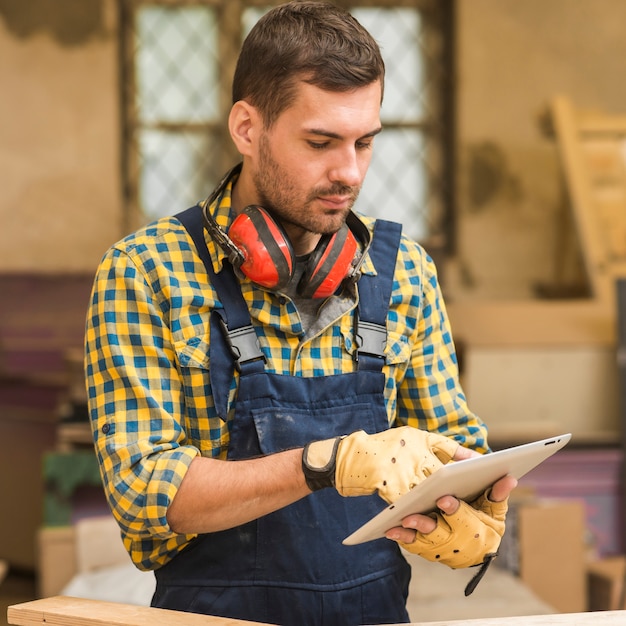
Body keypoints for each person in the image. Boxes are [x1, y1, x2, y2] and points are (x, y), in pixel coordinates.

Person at [84, 2, 516, 625]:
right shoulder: (147, 272)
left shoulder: (404, 274)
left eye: (365, 142)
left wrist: (467, 506)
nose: (349, 172)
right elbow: (145, 493)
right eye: (320, 142)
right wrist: (328, 462)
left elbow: (452, 444)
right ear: (247, 128)